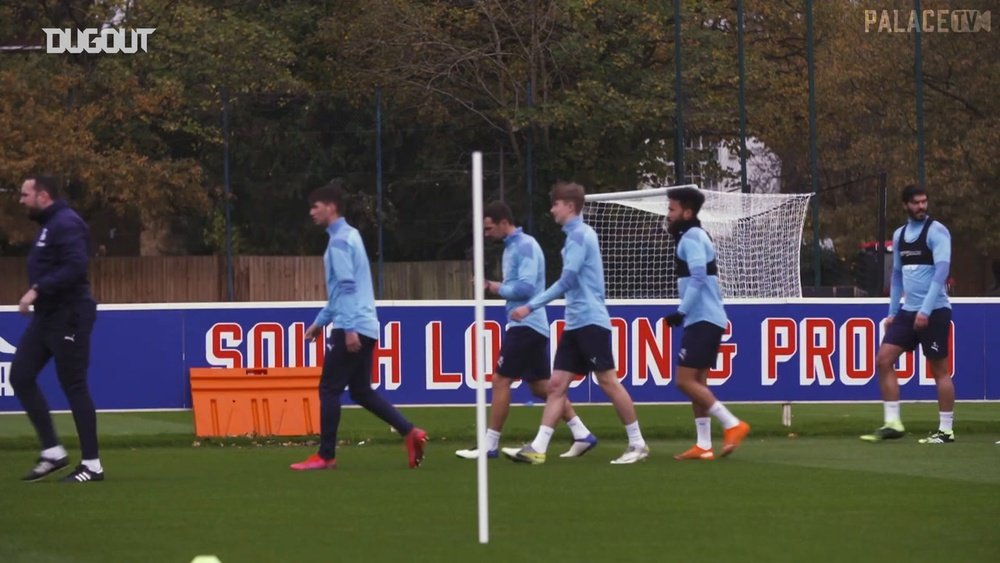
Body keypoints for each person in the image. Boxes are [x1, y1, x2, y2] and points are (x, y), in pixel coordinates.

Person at [504, 181, 649, 465]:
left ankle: (637, 443)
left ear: (569, 206)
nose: (552, 209)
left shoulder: (581, 236)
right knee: (556, 385)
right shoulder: (574, 237)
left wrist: (530, 306)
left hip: (591, 322)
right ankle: (538, 447)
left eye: (555, 204)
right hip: (574, 324)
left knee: (607, 381)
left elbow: (567, 282)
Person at [290, 181, 427, 470]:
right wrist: (320, 323)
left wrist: (348, 328)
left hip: (351, 326)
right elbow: (342, 290)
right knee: (361, 391)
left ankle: (325, 455)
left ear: (331, 207)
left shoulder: (339, 241)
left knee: (329, 389)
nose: (311, 213)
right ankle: (410, 432)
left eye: (315, 207)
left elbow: (347, 288)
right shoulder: (351, 236)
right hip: (367, 324)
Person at [455, 201, 597, 460]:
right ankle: (582, 433)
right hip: (530, 325)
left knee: (501, 380)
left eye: (489, 228)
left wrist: (492, 287)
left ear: (503, 222)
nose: (486, 234)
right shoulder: (513, 247)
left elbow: (526, 288)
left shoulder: (525, 246)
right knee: (541, 388)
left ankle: (490, 444)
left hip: (527, 325)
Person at [11, 175, 103, 483]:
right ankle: (53, 451)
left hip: (70, 315)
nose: (21, 200)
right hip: (47, 317)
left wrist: (37, 289)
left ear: (43, 196)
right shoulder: (49, 226)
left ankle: (92, 465)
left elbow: (76, 267)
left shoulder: (67, 223)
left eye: (25, 194)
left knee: (73, 385)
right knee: (20, 376)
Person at [661, 187, 751, 460]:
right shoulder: (695, 235)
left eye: (672, 209)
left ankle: (732, 424)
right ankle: (703, 445)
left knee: (684, 381)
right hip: (706, 319)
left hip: (702, 319)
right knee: (698, 381)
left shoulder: (691, 237)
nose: (668, 214)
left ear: (687, 212)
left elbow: (699, 276)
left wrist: (681, 310)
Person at [862, 184, 954, 444]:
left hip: (934, 311)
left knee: (939, 370)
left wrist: (925, 310)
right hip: (907, 311)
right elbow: (897, 275)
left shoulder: (937, 231)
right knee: (883, 360)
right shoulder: (900, 235)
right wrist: (892, 312)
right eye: (916, 203)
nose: (921, 207)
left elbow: (941, 272)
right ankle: (893, 423)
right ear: (905, 205)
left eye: (924, 202)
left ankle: (946, 430)